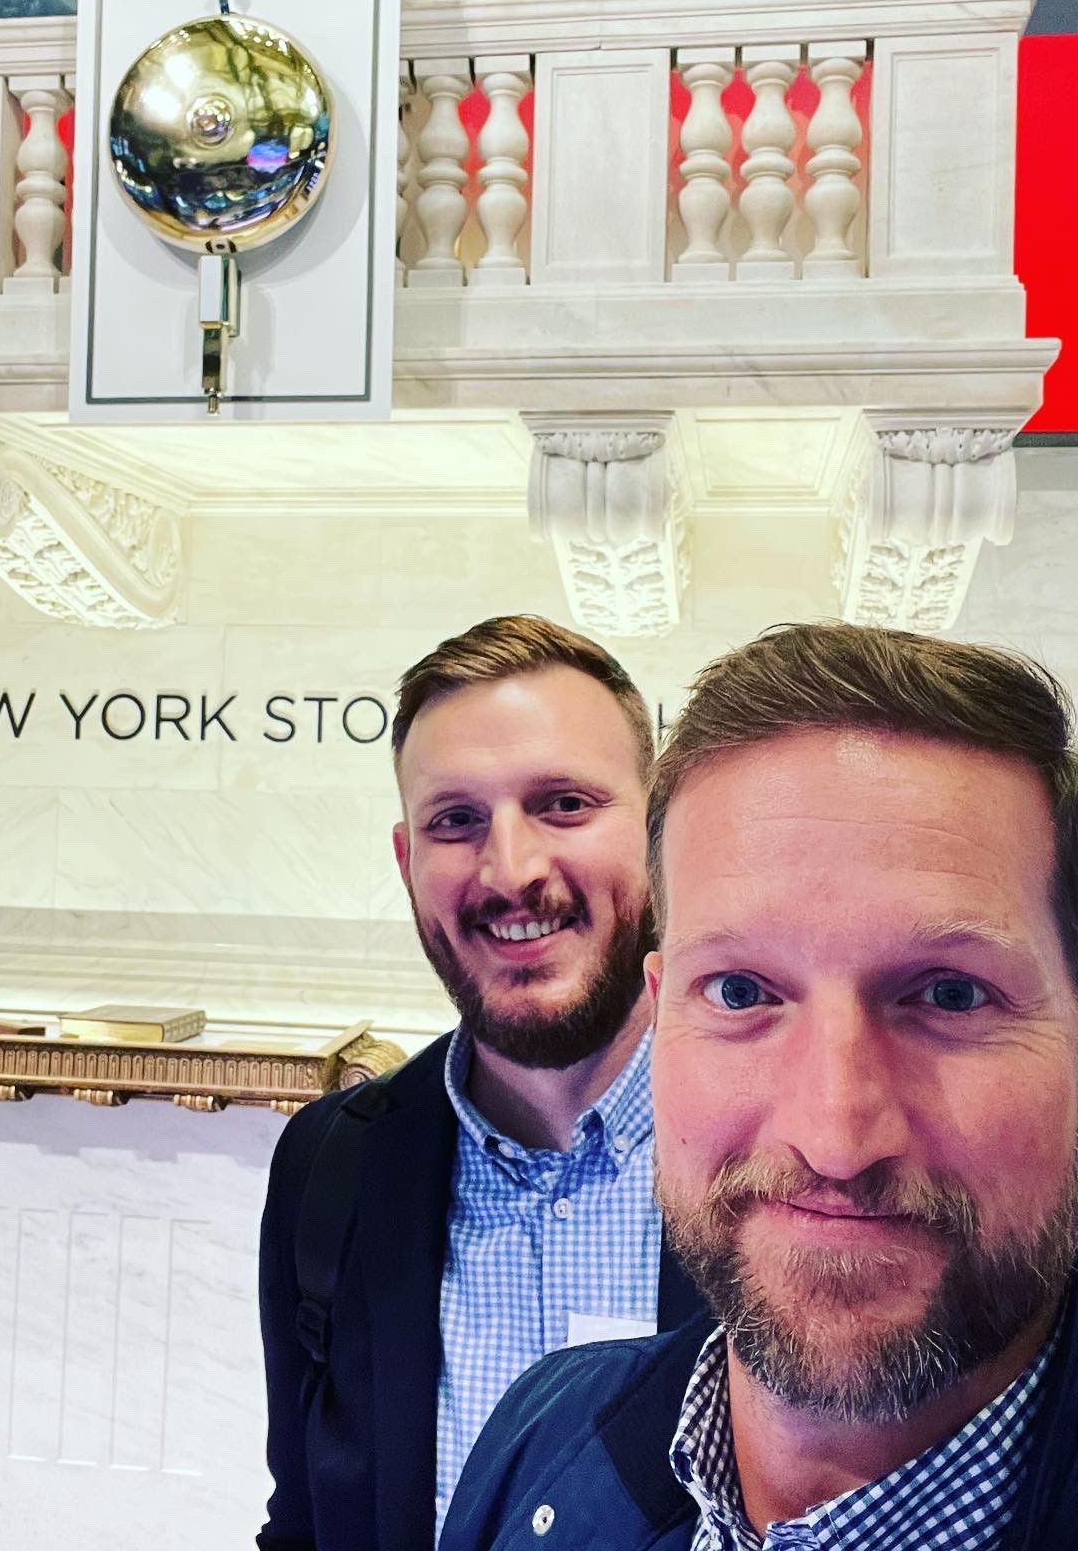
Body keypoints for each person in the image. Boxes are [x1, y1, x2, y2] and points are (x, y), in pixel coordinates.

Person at [443, 622, 1078, 1551]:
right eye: (741, 992)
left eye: (950, 996)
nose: (835, 1138)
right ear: (663, 1022)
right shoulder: (543, 1432)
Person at [256, 614, 702, 1551]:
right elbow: (304, 1522)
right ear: (407, 861)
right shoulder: (330, 1167)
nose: (512, 871)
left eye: (563, 804)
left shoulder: (785, 1143)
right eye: (456, 821)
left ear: (659, 834)